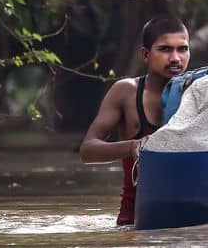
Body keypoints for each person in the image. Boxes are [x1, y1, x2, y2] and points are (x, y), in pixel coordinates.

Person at [79, 16, 191, 225]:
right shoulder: (126, 92)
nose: (175, 58)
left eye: (182, 49)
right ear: (145, 54)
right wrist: (134, 145)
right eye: (165, 49)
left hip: (188, 218)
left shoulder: (200, 92)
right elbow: (87, 150)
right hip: (135, 223)